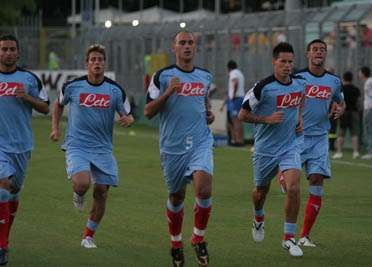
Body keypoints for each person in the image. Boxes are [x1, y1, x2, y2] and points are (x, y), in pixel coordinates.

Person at [50, 44, 134, 249]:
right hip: (77, 145)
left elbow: (128, 114)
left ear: (104, 63)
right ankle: (78, 194)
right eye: (93, 60)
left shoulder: (115, 90)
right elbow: (59, 105)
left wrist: (128, 120)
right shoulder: (73, 86)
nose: (97, 63)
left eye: (100, 60)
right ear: (87, 63)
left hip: (103, 148)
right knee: (82, 183)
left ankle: (88, 236)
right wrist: (55, 128)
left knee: (102, 192)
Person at [144, 31, 215, 267]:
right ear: (173, 48)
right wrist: (168, 92)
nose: (186, 47)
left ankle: (198, 238)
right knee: (176, 196)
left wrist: (208, 113)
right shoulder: (162, 76)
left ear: (196, 49)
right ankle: (176, 243)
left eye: (190, 43)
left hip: (200, 142)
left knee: (204, 189)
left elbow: (204, 102)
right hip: (172, 147)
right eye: (182, 43)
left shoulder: (205, 76)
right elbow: (148, 111)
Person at [238, 42, 305, 257]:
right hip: (265, 149)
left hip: (290, 145)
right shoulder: (262, 87)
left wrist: (299, 117)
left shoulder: (299, 84)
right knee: (260, 193)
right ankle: (258, 217)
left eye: (290, 62)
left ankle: (289, 238)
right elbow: (242, 115)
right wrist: (266, 119)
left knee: (294, 187)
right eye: (283, 62)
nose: (287, 66)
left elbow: (301, 99)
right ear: (274, 62)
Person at [0, 34, 50, 265]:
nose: (7, 53)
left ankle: (4, 240)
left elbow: (45, 108)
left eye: (11, 49)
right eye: (3, 49)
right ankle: (2, 247)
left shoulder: (29, 79)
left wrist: (27, 98)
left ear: (18, 53)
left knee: (14, 193)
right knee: (3, 188)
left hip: (21, 145)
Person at [295, 39, 345, 247]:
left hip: (320, 138)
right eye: (315, 49)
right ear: (308, 54)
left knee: (316, 180)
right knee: (292, 185)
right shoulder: (298, 78)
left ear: (325, 55)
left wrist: (340, 108)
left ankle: (305, 236)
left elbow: (340, 100)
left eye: (322, 50)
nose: (319, 52)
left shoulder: (333, 81)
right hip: (296, 137)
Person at [333, 71, 361, 159]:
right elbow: (358, 102)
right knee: (354, 133)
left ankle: (339, 152)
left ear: (343, 78)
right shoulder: (356, 89)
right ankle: (355, 152)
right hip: (354, 112)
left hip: (343, 112)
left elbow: (337, 101)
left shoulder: (342, 89)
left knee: (341, 132)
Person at [220, 60, 245, 146]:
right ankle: (240, 140)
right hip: (241, 98)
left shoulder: (233, 73)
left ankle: (238, 141)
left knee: (235, 120)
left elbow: (235, 82)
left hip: (236, 98)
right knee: (239, 120)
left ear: (228, 68)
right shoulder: (240, 73)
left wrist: (233, 94)